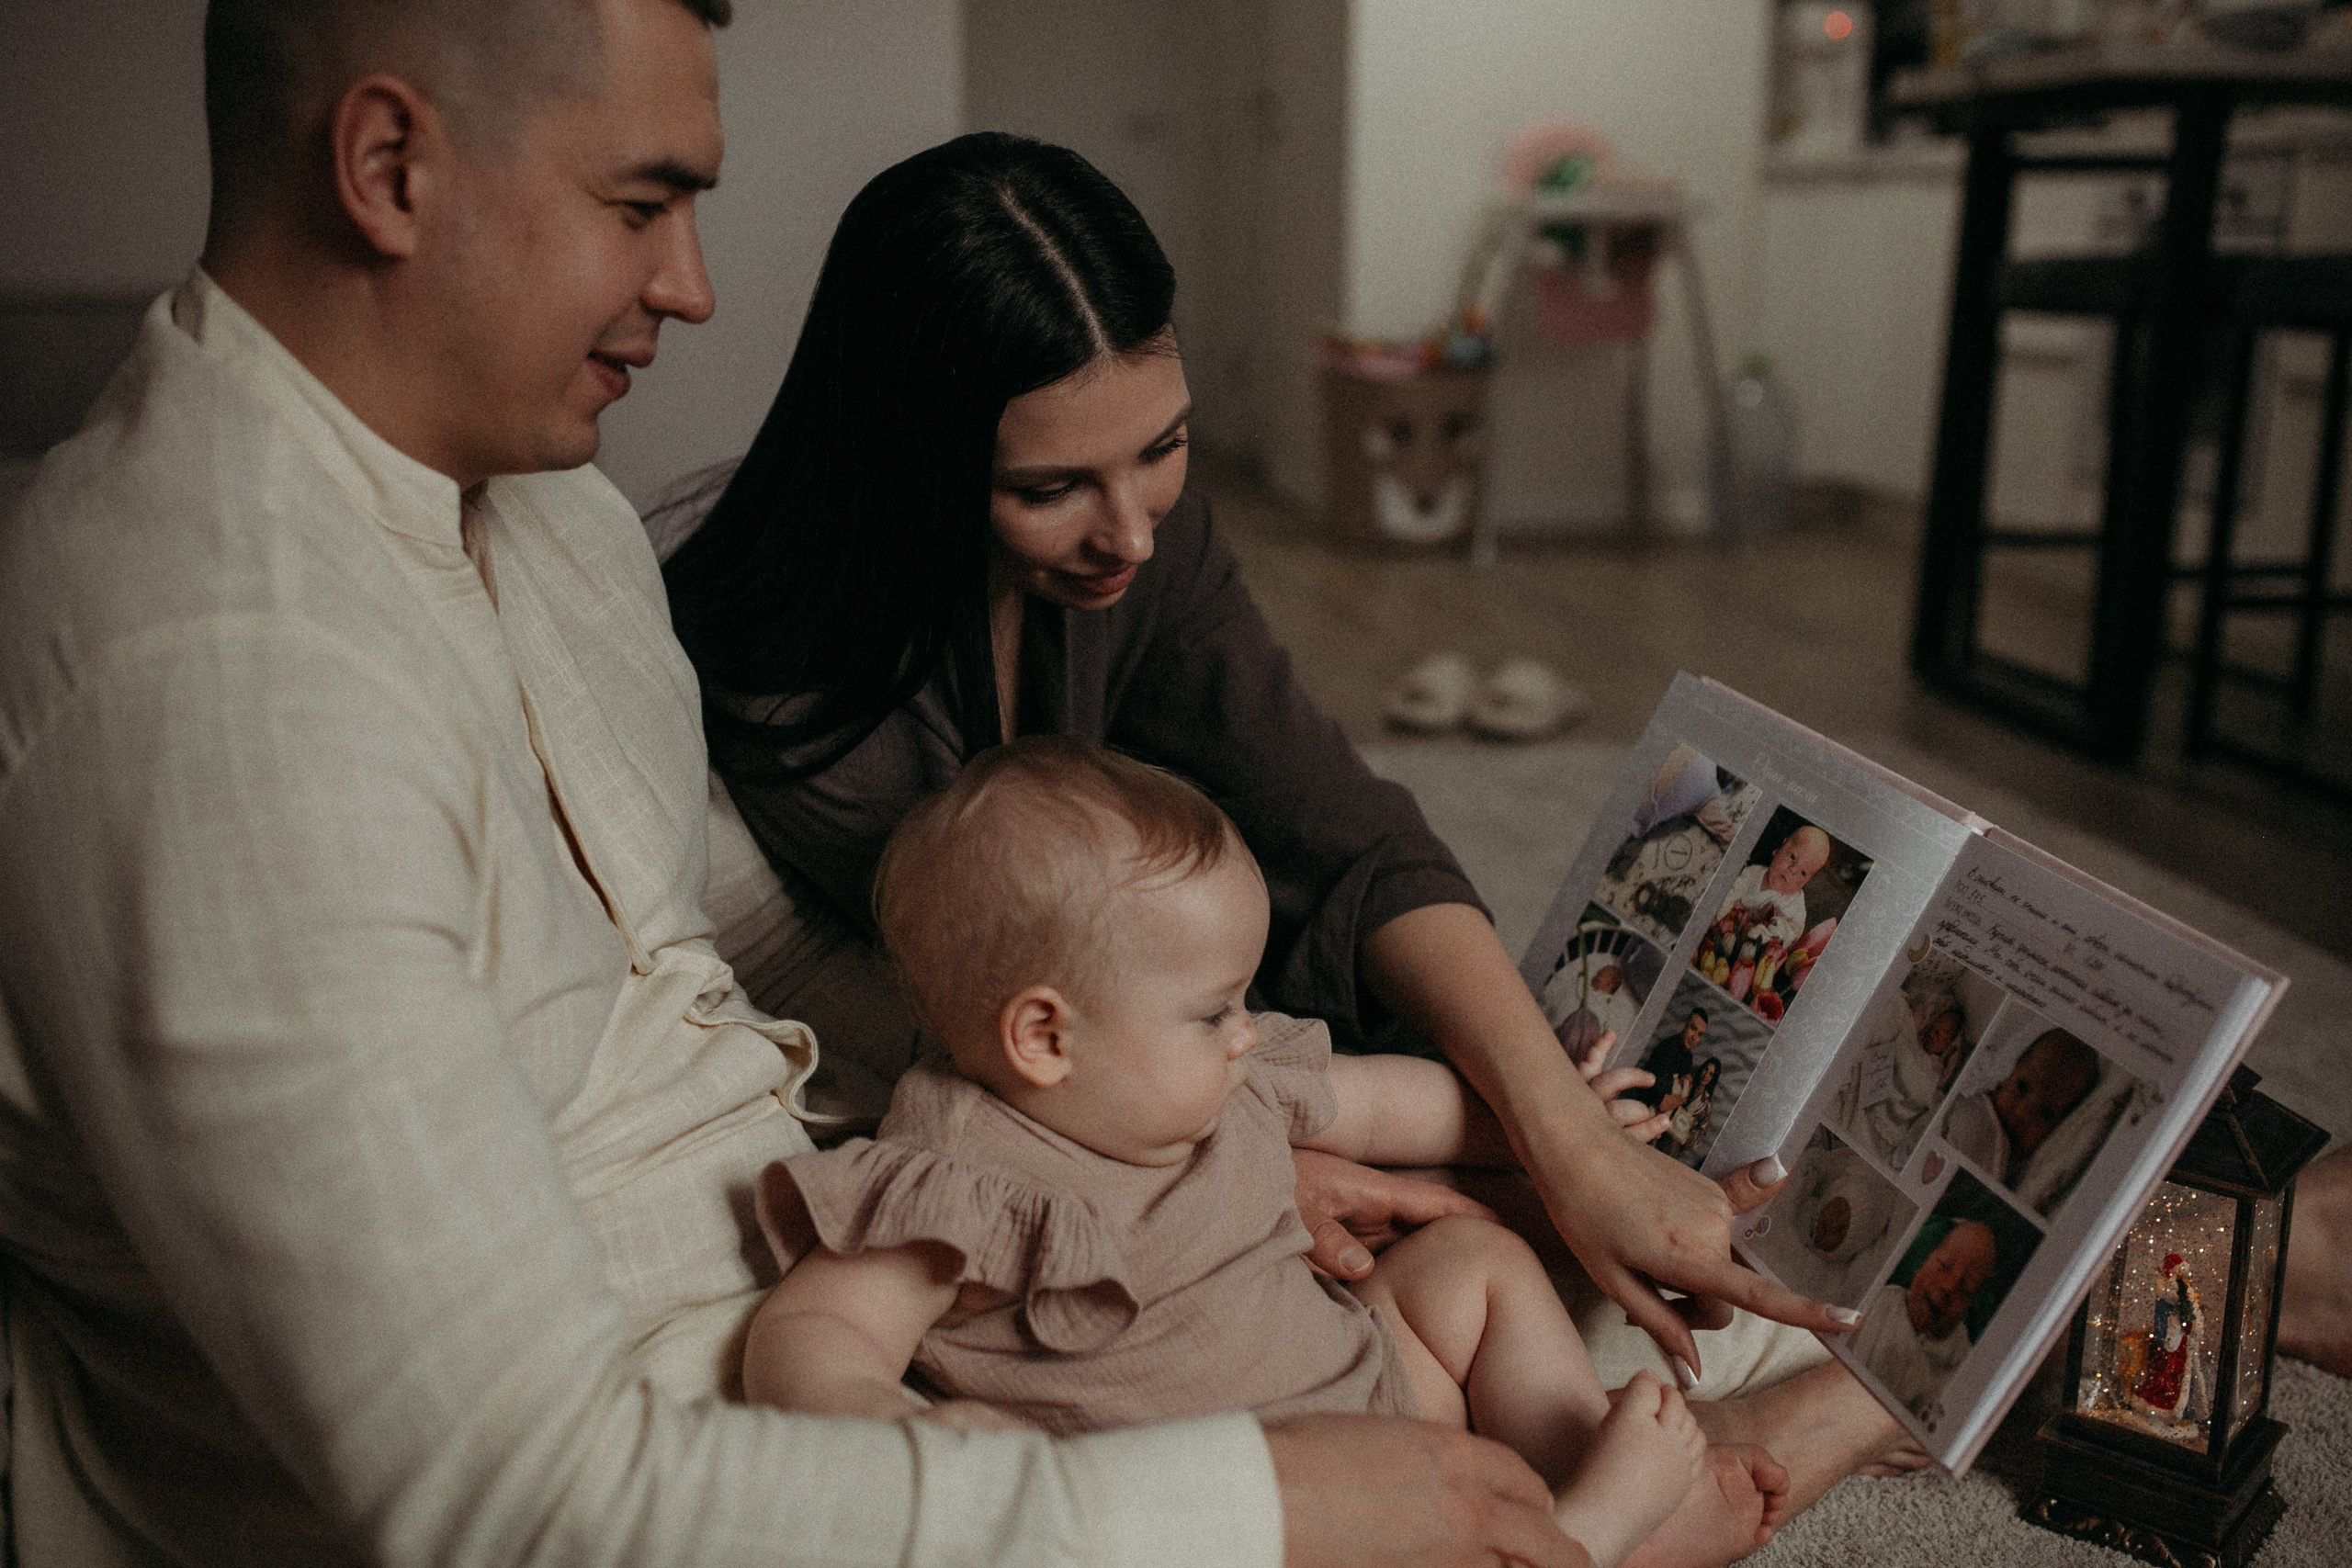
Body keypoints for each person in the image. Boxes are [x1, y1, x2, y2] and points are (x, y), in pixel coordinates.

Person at [0, 6, 1585, 1563]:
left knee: (1514, 1308)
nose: (692, 287)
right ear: (389, 164)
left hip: (860, 1321)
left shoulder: (558, 526)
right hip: (702, 1458)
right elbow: (517, 1498)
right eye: (641, 203)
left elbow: (761, 967)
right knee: (1484, 1449)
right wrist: (1260, 1504)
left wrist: (1172, 1159)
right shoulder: (219, 683)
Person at [659, 130, 1868, 1402]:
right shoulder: (794, 683)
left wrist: (1563, 1140)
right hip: (1092, 1097)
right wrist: (1271, 1168)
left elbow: (1336, 825)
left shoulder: (1140, 548)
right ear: (914, 462)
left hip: (1205, 1024)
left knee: (1544, 1105)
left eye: (1163, 446)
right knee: (1465, 1223)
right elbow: (1016, 1061)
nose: (1130, 527)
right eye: (1051, 485)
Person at [749, 738, 1792, 1568]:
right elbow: (820, 1322)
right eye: (1211, 1011)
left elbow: (1391, 1106)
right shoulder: (962, 1178)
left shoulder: (1215, 1078)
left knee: (1472, 1269)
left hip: (1369, 1380)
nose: (1247, 1030)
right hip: (1268, 1517)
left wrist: (1561, 1119)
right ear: (1044, 1038)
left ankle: (1571, 1457)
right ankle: (1591, 1536)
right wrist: (878, 1419)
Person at [1847, 1220, 1997, 1417]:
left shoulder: (1960, 1362)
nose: (1949, 1287)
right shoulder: (1878, 1303)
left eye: (1966, 1288)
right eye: (1944, 1266)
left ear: (1969, 1306)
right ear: (1924, 1262)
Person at [1941, 1028, 2100, 1191]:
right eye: (2022, 1087)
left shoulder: (2023, 1170)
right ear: (2009, 1075)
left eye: (2044, 1113)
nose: (2021, 1113)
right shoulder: (1976, 1111)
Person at [1717, 827, 1831, 950]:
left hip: (1754, 949)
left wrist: (1778, 929)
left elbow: (1794, 933)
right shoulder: (1752, 873)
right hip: (1723, 932)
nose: (1793, 870)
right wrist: (1719, 911)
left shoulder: (1795, 904)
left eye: (1803, 873)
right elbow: (1731, 891)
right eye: (1793, 857)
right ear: (1779, 849)